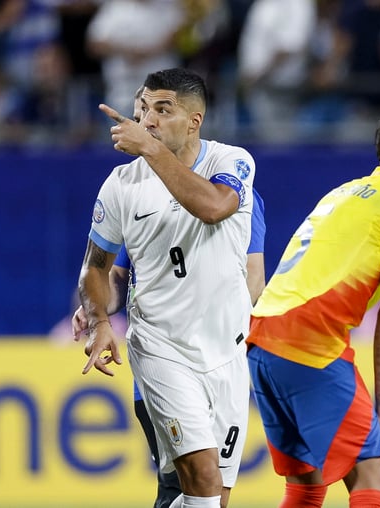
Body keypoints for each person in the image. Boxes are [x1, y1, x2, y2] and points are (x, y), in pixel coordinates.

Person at [247, 108, 380, 508]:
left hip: (261, 341)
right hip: (308, 342)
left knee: (307, 484)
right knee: (372, 476)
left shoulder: (344, 191)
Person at [73, 86, 267, 508]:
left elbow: (214, 207)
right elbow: (97, 267)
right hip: (162, 348)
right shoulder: (122, 184)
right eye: (143, 110)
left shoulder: (232, 162)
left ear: (194, 121)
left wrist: (150, 150)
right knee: (200, 477)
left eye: (163, 110)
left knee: (213, 497)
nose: (149, 120)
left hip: (226, 352)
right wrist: (100, 320)